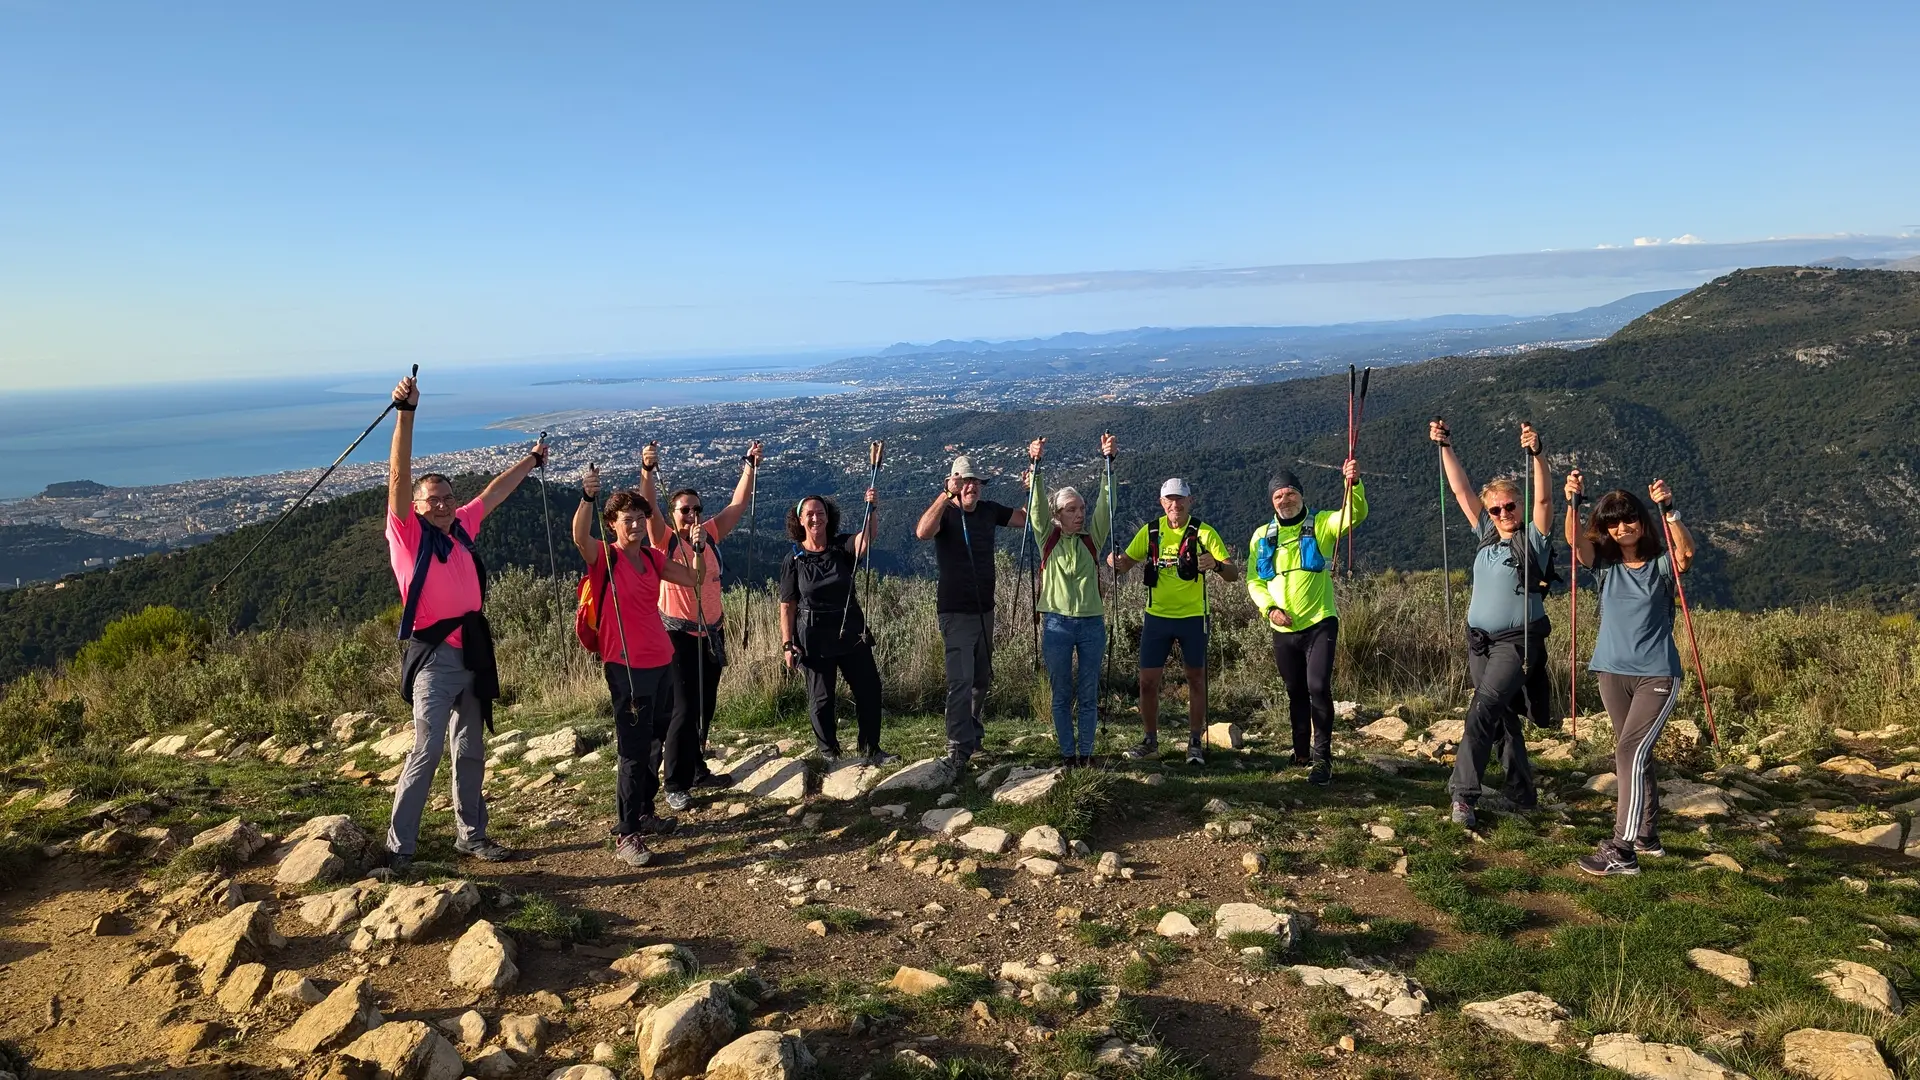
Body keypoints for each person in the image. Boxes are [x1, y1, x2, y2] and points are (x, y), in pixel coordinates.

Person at [382, 373, 546, 873]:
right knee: (427, 748)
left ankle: (472, 835)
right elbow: (397, 473)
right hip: (434, 657)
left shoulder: (461, 528)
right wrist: (406, 415)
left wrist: (532, 461)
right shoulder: (407, 535)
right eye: (433, 498)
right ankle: (399, 848)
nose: (444, 503)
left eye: (449, 497)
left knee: (470, 749)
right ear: (416, 505)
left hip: (473, 653)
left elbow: (494, 493)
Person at [574, 464, 706, 868]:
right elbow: (579, 537)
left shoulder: (651, 557)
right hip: (625, 666)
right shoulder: (605, 557)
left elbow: (694, 580)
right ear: (612, 523)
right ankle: (627, 833)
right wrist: (587, 498)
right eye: (626, 519)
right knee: (633, 751)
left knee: (656, 740)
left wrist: (697, 549)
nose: (634, 524)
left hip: (661, 660)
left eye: (639, 517)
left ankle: (644, 812)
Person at [1565, 471, 1695, 876]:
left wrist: (1670, 511)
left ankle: (1622, 849)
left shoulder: (1658, 566)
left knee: (1628, 752)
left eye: (1629, 519)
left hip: (1657, 674)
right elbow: (1575, 542)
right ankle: (1647, 835)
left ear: (1642, 520)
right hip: (1610, 672)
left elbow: (1685, 555)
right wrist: (1572, 502)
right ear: (1604, 527)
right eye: (1612, 522)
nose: (1622, 527)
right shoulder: (1604, 567)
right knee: (1637, 753)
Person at [1430, 418, 1553, 828]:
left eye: (1509, 506)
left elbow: (1544, 502)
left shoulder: (1532, 538)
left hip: (1517, 642)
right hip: (1479, 641)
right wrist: (1445, 447)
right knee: (1500, 717)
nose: (1502, 513)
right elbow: (1461, 490)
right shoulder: (1486, 533)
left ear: (1519, 505)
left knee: (1482, 710)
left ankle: (1464, 795)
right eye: (1495, 508)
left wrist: (1537, 456)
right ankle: (1522, 793)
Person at [638, 440, 761, 810]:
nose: (691, 515)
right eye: (684, 509)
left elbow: (737, 507)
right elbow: (649, 510)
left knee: (704, 705)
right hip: (676, 635)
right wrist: (647, 472)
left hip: (712, 632)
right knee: (683, 708)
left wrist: (749, 468)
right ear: (674, 513)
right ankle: (675, 782)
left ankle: (695, 768)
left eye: (695, 509)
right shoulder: (664, 541)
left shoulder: (708, 533)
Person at [1246, 459, 1365, 786]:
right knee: (1294, 690)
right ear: (1272, 502)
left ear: (1300, 494)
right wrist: (1269, 609)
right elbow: (1254, 581)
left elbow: (1353, 515)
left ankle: (1322, 758)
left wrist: (1352, 486)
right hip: (1282, 629)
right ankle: (1300, 752)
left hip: (1319, 623)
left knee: (1317, 687)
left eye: (1290, 493)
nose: (1285, 500)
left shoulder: (1323, 523)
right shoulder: (1261, 536)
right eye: (1278, 496)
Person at [914, 449, 1032, 769]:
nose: (971, 487)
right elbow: (922, 532)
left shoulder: (988, 511)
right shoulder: (946, 514)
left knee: (981, 679)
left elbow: (1025, 519)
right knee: (960, 681)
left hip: (985, 610)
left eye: (975, 482)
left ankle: (971, 734)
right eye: (964, 482)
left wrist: (1032, 491)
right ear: (953, 484)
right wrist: (944, 495)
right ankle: (957, 744)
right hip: (955, 611)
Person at [1110, 478, 1237, 765]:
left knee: (1196, 678)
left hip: (1193, 617)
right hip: (1157, 619)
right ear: (1162, 502)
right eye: (1170, 499)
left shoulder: (1203, 532)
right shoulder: (1151, 531)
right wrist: (1114, 562)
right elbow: (1126, 563)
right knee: (1147, 682)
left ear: (1189, 501)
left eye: (1180, 499)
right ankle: (1150, 741)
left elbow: (1232, 573)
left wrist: (1215, 565)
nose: (1175, 505)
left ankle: (1194, 742)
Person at [1025, 434, 1118, 766]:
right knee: (1062, 695)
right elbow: (1035, 508)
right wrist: (1036, 466)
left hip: (1092, 623)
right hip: (1056, 624)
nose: (1079, 514)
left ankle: (1087, 754)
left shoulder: (1092, 539)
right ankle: (1068, 754)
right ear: (1058, 514)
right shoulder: (1046, 538)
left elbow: (1108, 507)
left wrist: (1109, 465)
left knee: (1089, 695)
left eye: (1081, 509)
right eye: (1071, 510)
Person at [781, 489, 892, 764]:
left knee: (869, 689)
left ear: (829, 517)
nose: (816, 518)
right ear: (800, 520)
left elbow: (866, 540)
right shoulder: (793, 559)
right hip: (813, 635)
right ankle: (829, 752)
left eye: (821, 513)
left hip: (850, 629)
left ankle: (870, 748)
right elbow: (788, 605)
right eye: (810, 514)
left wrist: (872, 510)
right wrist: (787, 643)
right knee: (821, 699)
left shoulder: (842, 546)